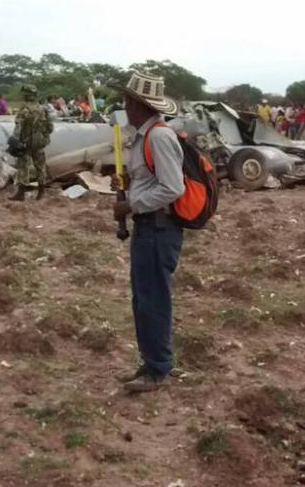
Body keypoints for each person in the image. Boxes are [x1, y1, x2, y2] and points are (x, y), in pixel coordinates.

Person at [112, 71, 185, 394]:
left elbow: (173, 187)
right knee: (143, 300)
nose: (124, 105)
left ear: (138, 104)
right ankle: (151, 362)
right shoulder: (144, 136)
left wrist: (131, 205)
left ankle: (158, 369)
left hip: (158, 229)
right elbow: (152, 179)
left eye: (128, 100)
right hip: (148, 228)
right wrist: (129, 187)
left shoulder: (158, 136)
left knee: (153, 300)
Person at [9, 84, 53, 201]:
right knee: (40, 167)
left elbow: (18, 128)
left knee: (23, 167)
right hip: (39, 143)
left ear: (26, 95)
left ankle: (21, 193)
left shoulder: (24, 110)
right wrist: (43, 136)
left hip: (26, 143)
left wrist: (15, 141)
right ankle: (41, 192)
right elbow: (50, 127)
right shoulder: (43, 109)